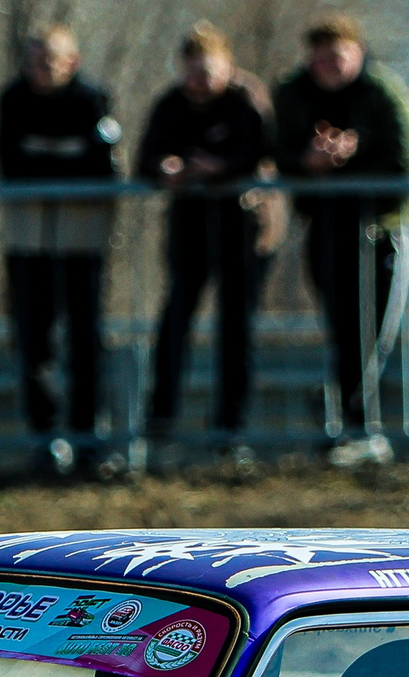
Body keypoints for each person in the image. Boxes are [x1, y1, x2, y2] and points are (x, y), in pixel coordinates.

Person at [272, 13, 409, 467]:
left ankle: (355, 423)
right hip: (326, 228)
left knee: (374, 331)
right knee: (342, 329)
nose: (328, 67)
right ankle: (347, 424)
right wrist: (308, 161)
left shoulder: (384, 94)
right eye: (320, 59)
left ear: (356, 53)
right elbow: (275, 153)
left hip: (381, 229)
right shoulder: (293, 93)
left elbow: (402, 161)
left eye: (337, 57)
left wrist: (352, 158)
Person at [138, 22, 276, 460]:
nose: (200, 81)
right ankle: (160, 425)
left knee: (236, 329)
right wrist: (169, 168)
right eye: (192, 72)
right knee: (176, 320)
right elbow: (144, 161)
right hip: (190, 228)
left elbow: (266, 153)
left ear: (228, 67)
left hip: (245, 228)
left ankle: (229, 431)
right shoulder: (170, 104)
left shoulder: (246, 99)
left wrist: (220, 169)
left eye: (209, 71)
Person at [0, 24, 119, 476]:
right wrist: (65, 157)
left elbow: (100, 168)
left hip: (81, 241)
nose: (40, 70)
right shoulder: (12, 100)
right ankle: (44, 438)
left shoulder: (91, 100)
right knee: (34, 341)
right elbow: (12, 165)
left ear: (72, 62)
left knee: (86, 340)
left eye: (50, 61)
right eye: (33, 61)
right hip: (28, 239)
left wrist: (47, 159)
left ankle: (89, 437)